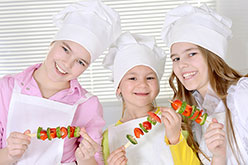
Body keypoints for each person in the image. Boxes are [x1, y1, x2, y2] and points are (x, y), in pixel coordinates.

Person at [0, 0, 121, 164]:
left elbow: (95, 161)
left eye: (80, 62)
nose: (67, 63)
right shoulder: (7, 88)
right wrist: (9, 154)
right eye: (65, 49)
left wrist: (85, 159)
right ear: (52, 43)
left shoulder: (87, 104)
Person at [161, 3, 248, 165]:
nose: (182, 65)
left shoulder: (242, 95)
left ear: (212, 56)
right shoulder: (193, 115)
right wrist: (219, 157)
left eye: (191, 54)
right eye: (176, 58)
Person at [101, 31, 197, 165]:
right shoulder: (109, 136)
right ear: (118, 87)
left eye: (150, 77)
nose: (142, 84)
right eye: (132, 78)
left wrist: (175, 139)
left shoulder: (173, 121)